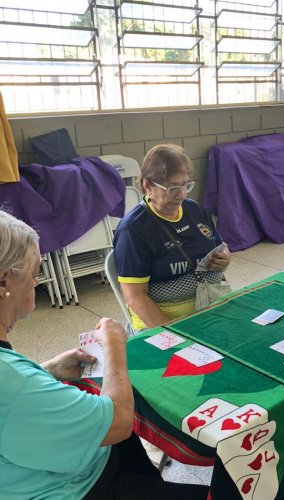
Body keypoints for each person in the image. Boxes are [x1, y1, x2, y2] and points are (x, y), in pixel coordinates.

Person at [0, 210, 208, 499]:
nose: (36, 283)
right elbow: (119, 421)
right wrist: (113, 346)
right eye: (35, 274)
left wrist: (48, 369)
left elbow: (11, 399)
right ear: (4, 282)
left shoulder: (11, 376)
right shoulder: (12, 383)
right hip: (82, 489)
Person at [113, 144, 231, 332]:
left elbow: (221, 247)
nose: (182, 194)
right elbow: (135, 297)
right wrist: (174, 333)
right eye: (173, 188)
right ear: (147, 186)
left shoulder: (195, 210)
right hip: (165, 322)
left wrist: (224, 258)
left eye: (185, 185)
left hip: (208, 305)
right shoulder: (133, 230)